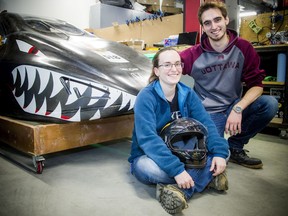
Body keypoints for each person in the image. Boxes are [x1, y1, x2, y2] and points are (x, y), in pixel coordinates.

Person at [128, 47, 229, 214]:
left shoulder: (187, 93)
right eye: (167, 65)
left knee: (224, 154)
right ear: (157, 70)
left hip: (184, 152)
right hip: (152, 155)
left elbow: (206, 125)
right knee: (146, 168)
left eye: (177, 64)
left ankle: (181, 190)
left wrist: (219, 152)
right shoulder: (146, 97)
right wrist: (177, 170)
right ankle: (205, 176)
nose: (174, 69)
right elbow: (148, 139)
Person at [180, 1, 278, 169]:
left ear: (226, 20)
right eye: (207, 23)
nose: (214, 26)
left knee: (269, 104)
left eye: (217, 20)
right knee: (213, 158)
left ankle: (236, 145)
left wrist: (238, 108)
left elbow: (257, 85)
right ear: (203, 27)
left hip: (233, 105)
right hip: (208, 111)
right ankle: (222, 149)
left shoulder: (244, 47)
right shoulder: (192, 54)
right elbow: (168, 66)